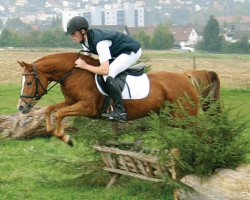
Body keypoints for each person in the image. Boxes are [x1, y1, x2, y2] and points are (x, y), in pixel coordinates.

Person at [65, 16, 142, 122]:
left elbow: (104, 70)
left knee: (108, 75)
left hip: (131, 51)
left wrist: (85, 66)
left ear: (83, 31)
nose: (71, 36)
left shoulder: (100, 43)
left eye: (73, 33)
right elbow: (89, 58)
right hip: (117, 53)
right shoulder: (85, 41)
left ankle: (120, 111)